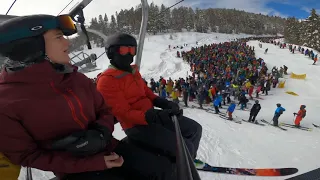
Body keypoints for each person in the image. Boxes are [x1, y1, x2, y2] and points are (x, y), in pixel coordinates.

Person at [0, 15, 172, 180]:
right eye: (59, 37)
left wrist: (102, 131)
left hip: (109, 148)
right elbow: (27, 155)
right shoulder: (6, 102)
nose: (67, 42)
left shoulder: (76, 79)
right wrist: (90, 161)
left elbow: (104, 110)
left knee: (165, 170)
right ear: (30, 47)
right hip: (74, 169)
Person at [96, 33, 202, 161]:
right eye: (124, 50)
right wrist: (153, 116)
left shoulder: (133, 72)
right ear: (112, 53)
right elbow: (123, 113)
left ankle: (185, 159)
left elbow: (147, 93)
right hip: (136, 126)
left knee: (194, 129)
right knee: (186, 147)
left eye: (132, 50)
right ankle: (179, 161)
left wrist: (165, 103)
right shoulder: (107, 80)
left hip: (151, 117)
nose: (129, 54)